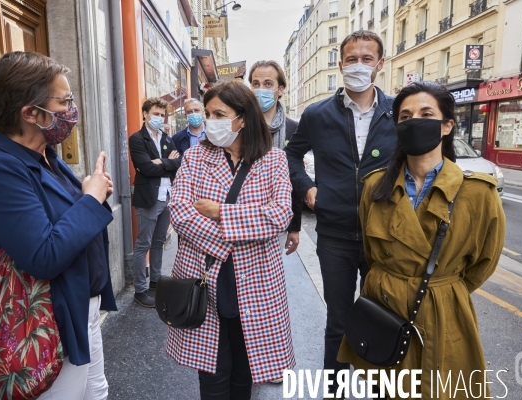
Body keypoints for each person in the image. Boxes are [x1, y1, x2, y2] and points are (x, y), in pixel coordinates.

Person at [338, 81, 505, 398]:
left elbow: (484, 262)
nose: (414, 121)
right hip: (386, 313)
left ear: (446, 125)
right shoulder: (375, 187)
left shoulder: (479, 194)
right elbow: (372, 255)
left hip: (443, 312)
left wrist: (442, 289)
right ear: (398, 127)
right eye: (405, 116)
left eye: (426, 113)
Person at [0, 51, 117, 399]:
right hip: (46, 321)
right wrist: (90, 199)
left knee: (96, 393)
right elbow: (44, 255)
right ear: (31, 113)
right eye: (64, 101)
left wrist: (87, 193)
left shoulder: (46, 155)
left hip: (81, 306)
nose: (72, 110)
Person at [166, 80, 295, 399]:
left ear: (243, 118)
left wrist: (220, 212)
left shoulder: (274, 160)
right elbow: (180, 212)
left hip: (256, 284)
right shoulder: (195, 159)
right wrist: (243, 231)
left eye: (218, 114)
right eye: (207, 113)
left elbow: (279, 215)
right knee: (212, 375)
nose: (209, 120)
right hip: (206, 279)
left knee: (244, 373)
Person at [284, 30, 397, 391]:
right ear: (340, 63)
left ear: (380, 65)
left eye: (367, 59)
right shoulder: (317, 114)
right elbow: (291, 154)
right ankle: (335, 391)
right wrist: (307, 188)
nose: (359, 65)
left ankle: (380, 390)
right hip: (334, 235)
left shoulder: (398, 111)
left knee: (383, 318)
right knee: (338, 321)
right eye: (352, 58)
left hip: (385, 235)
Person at [129, 98, 181, 307]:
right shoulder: (137, 139)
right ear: (145, 114)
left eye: (162, 114)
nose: (159, 118)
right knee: (143, 244)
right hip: (149, 198)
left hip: (167, 195)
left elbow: (180, 162)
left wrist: (162, 162)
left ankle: (155, 281)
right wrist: (167, 163)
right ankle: (140, 290)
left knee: (159, 242)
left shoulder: (166, 138)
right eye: (156, 114)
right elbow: (146, 168)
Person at [249, 60, 302, 256]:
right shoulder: (241, 125)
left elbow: (295, 179)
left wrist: (294, 227)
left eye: (268, 84)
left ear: (280, 89)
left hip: (277, 218)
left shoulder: (293, 129)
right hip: (244, 216)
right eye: (255, 84)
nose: (260, 89)